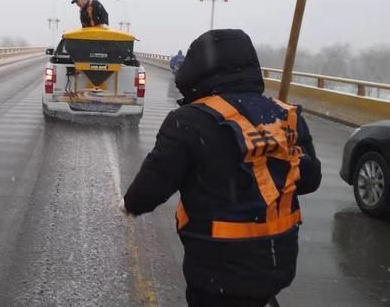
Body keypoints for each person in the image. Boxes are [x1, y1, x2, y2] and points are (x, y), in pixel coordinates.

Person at [120, 29, 322, 307]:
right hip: (277, 261)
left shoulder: (189, 120)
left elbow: (154, 183)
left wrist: (130, 204)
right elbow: (310, 181)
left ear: (198, 68)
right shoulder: (285, 115)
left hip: (216, 270)